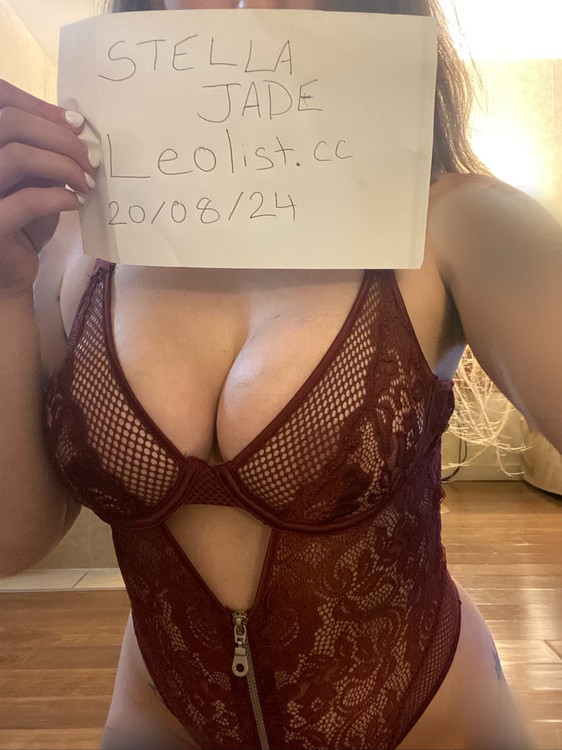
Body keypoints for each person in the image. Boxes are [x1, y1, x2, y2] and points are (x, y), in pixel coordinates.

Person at [1, 0, 558, 747]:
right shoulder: (63, 240)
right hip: (161, 720)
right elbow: (15, 541)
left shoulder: (451, 221)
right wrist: (3, 287)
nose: (245, 5)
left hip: (435, 720)